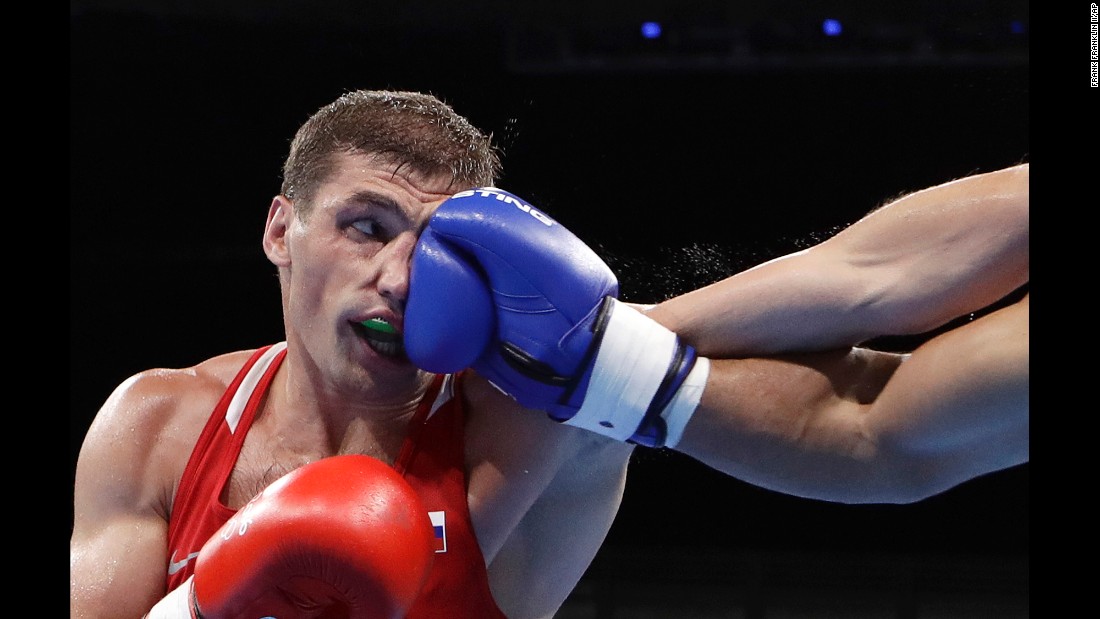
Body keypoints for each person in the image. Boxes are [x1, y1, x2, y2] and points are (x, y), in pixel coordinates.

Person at [69, 89, 1028, 619]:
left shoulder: (524, 421)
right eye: (367, 227)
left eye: (441, 248)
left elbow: (877, 419)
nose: (402, 281)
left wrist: (608, 337)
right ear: (283, 230)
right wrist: (204, 610)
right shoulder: (160, 425)